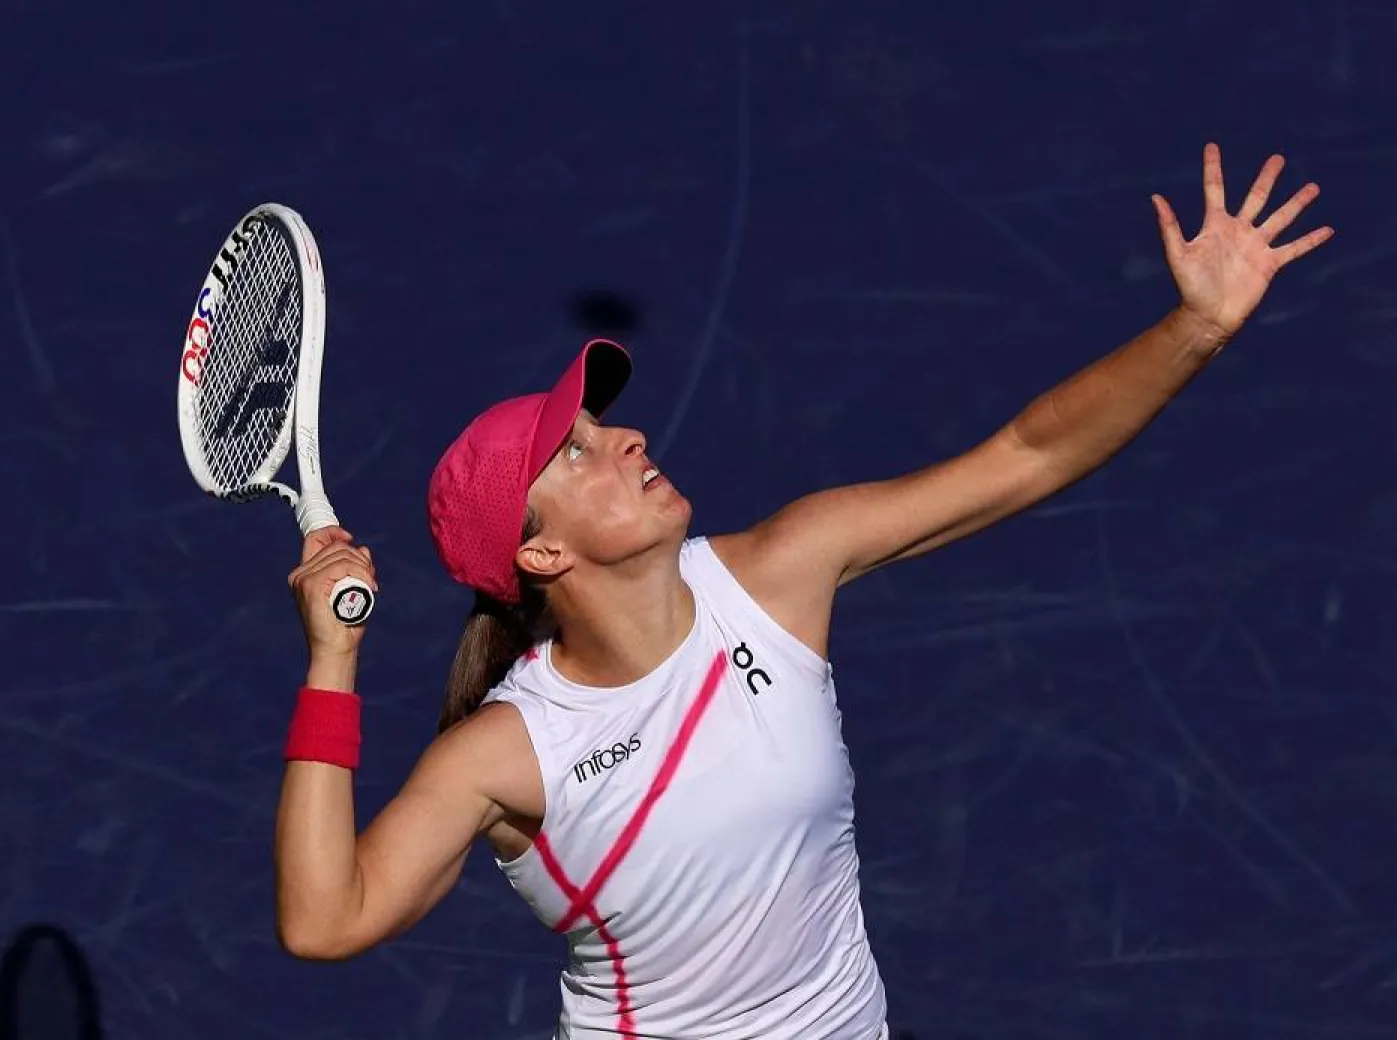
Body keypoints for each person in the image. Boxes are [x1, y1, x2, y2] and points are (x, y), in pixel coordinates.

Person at [272, 143, 1332, 1038]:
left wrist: (1194, 327)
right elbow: (325, 920)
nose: (629, 437)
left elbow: (1026, 454)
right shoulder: (512, 751)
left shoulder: (780, 570)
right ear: (541, 554)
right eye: (580, 454)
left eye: (607, 424)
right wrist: (334, 659)